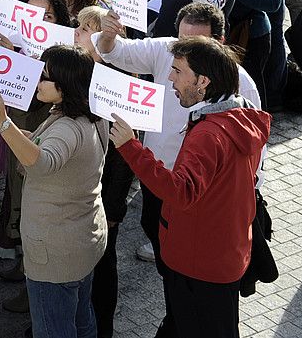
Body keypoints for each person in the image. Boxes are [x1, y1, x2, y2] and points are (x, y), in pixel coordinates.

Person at [111, 36, 270, 338]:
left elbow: (181, 192)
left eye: (179, 71)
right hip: (221, 257)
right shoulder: (239, 116)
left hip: (199, 265)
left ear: (203, 81)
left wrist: (131, 147)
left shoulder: (209, 134)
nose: (170, 78)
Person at [0, 45, 107, 338]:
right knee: (83, 319)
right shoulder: (91, 115)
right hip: (84, 241)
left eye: (44, 76)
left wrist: (2, 121)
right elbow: (46, 148)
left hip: (56, 254)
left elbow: (40, 162)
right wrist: (17, 133)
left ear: (63, 86)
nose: (37, 81)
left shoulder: (67, 128)